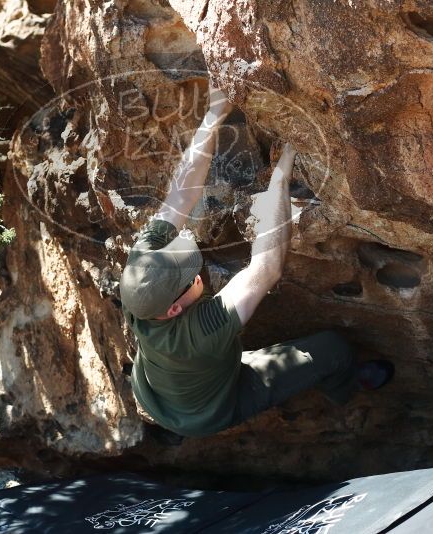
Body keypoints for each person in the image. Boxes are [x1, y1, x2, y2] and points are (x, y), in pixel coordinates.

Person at [119, 80, 394, 439]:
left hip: (162, 388)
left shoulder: (140, 277)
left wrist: (213, 116)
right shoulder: (197, 335)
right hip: (214, 407)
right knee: (334, 349)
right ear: (172, 311)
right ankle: (345, 389)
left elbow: (180, 196)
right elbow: (266, 269)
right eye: (190, 277)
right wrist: (279, 180)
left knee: (216, 356)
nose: (197, 268)